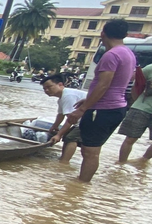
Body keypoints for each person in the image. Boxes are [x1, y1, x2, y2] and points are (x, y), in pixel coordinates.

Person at [69, 19, 137, 182]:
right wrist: (88, 99)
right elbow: (120, 82)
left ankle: (81, 185)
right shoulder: (128, 53)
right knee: (90, 150)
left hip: (102, 110)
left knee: (90, 151)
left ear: (102, 34)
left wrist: (82, 109)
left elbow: (103, 85)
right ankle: (80, 185)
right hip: (116, 107)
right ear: (125, 35)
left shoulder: (111, 55)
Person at [42, 73, 85, 164]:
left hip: (92, 117)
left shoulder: (67, 96)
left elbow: (71, 119)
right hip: (83, 119)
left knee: (71, 138)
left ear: (60, 85)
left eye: (49, 87)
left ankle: (63, 163)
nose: (47, 90)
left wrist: (59, 135)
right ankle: (64, 160)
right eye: (44, 89)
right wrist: (55, 126)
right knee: (68, 136)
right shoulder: (62, 98)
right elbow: (61, 114)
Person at [117, 60, 152, 163]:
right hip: (141, 109)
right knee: (130, 139)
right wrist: (137, 102)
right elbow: (136, 86)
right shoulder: (150, 68)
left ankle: (143, 161)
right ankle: (121, 164)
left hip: (140, 107)